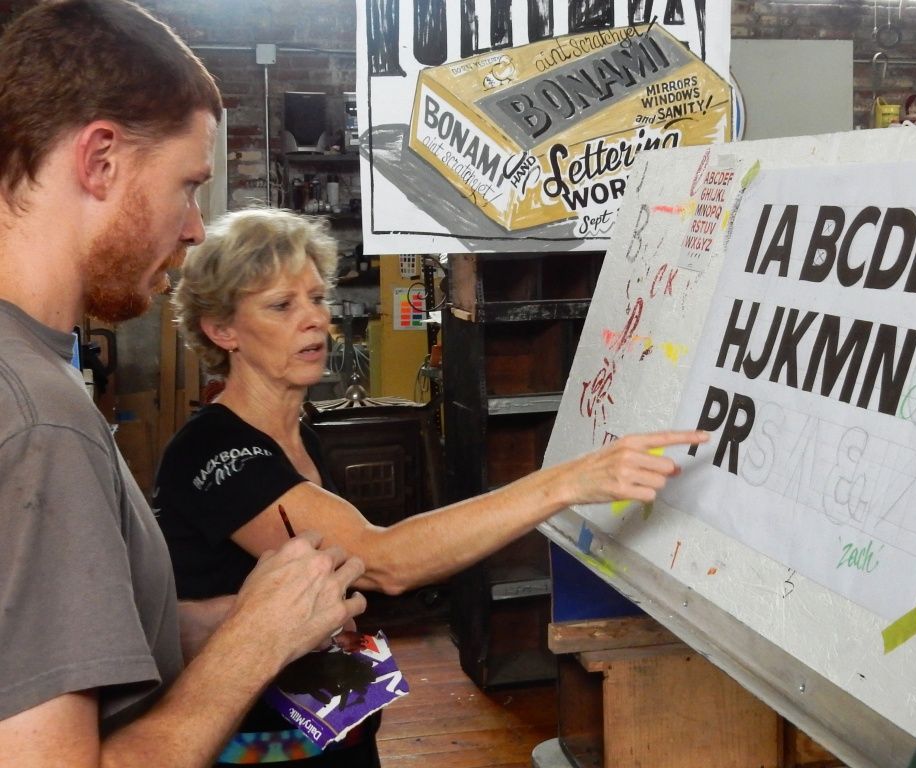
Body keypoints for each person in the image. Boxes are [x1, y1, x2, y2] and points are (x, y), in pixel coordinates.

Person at [153, 206, 710, 766]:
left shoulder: (299, 433)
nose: (315, 320)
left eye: (317, 298)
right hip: (252, 747)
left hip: (327, 729)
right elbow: (381, 560)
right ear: (222, 330)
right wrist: (565, 482)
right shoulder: (215, 449)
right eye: (281, 306)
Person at [0, 3, 366, 767]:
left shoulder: (33, 372)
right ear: (101, 160)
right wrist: (252, 645)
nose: (195, 227)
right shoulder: (39, 419)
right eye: (188, 185)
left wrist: (232, 620)